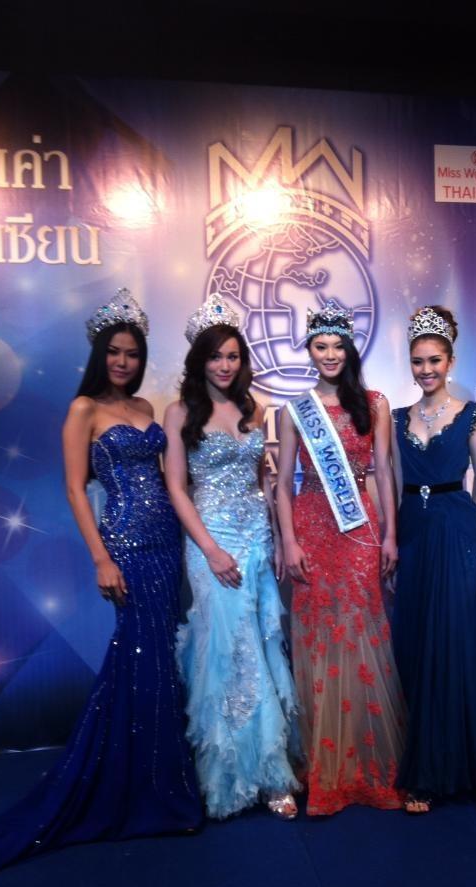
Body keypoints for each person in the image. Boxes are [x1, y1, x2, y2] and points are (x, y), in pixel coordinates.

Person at [0, 289, 202, 877]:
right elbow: (75, 489)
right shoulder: (83, 410)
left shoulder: (146, 407)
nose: (123, 361)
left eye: (132, 353)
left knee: (158, 658)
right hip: (125, 544)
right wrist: (101, 557)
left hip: (166, 542)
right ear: (101, 354)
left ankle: (157, 779)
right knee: (142, 658)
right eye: (115, 352)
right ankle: (148, 791)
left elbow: (168, 477)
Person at [163, 294, 300, 820]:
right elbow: (177, 488)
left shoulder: (254, 408)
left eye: (233, 356)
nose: (224, 365)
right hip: (210, 541)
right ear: (199, 360)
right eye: (215, 356)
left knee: (261, 645)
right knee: (225, 649)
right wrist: (211, 549)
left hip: (256, 538)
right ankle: (228, 774)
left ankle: (270, 772)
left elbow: (263, 478)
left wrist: (278, 533)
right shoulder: (180, 412)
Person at [275, 298, 405, 816]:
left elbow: (384, 472)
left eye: (337, 346)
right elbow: (284, 483)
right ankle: (326, 767)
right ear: (309, 351)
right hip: (311, 526)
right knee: (319, 638)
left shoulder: (375, 403)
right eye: (320, 346)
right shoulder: (294, 409)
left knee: (360, 630)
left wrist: (391, 534)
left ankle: (368, 765)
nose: (329, 354)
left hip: (359, 530)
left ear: (350, 350)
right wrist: (289, 540)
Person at [390, 306, 476, 814]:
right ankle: (426, 764)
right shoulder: (395, 418)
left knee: (457, 646)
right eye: (418, 361)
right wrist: (391, 540)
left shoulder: (474, 416)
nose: (426, 369)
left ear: (450, 361)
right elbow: (391, 482)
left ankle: (461, 769)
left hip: (458, 531)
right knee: (417, 646)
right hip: (414, 532)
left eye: (434, 360)